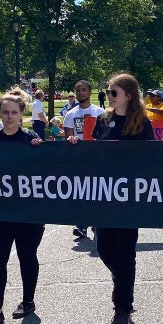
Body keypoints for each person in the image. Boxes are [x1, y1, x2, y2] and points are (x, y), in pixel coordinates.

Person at [68, 73, 163, 324]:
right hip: (104, 195)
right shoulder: (103, 120)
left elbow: (150, 158)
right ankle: (121, 279)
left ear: (128, 96)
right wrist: (77, 145)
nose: (109, 96)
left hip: (129, 198)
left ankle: (123, 307)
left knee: (125, 253)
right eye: (108, 91)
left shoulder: (142, 122)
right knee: (105, 250)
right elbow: (94, 154)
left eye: (114, 93)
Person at [0, 91, 45, 324]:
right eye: (5, 112)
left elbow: (47, 170)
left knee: (27, 256)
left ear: (21, 114)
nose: (9, 117)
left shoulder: (31, 139)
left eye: (14, 113)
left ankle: (28, 301)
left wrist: (40, 151)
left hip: (28, 213)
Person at [63, 80, 105, 238]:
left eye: (84, 90)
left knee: (97, 190)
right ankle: (81, 225)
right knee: (80, 192)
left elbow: (106, 136)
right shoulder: (70, 114)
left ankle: (97, 222)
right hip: (79, 158)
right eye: (78, 90)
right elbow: (68, 138)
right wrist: (72, 140)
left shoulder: (99, 112)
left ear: (90, 92)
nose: (81, 93)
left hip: (96, 157)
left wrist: (92, 126)